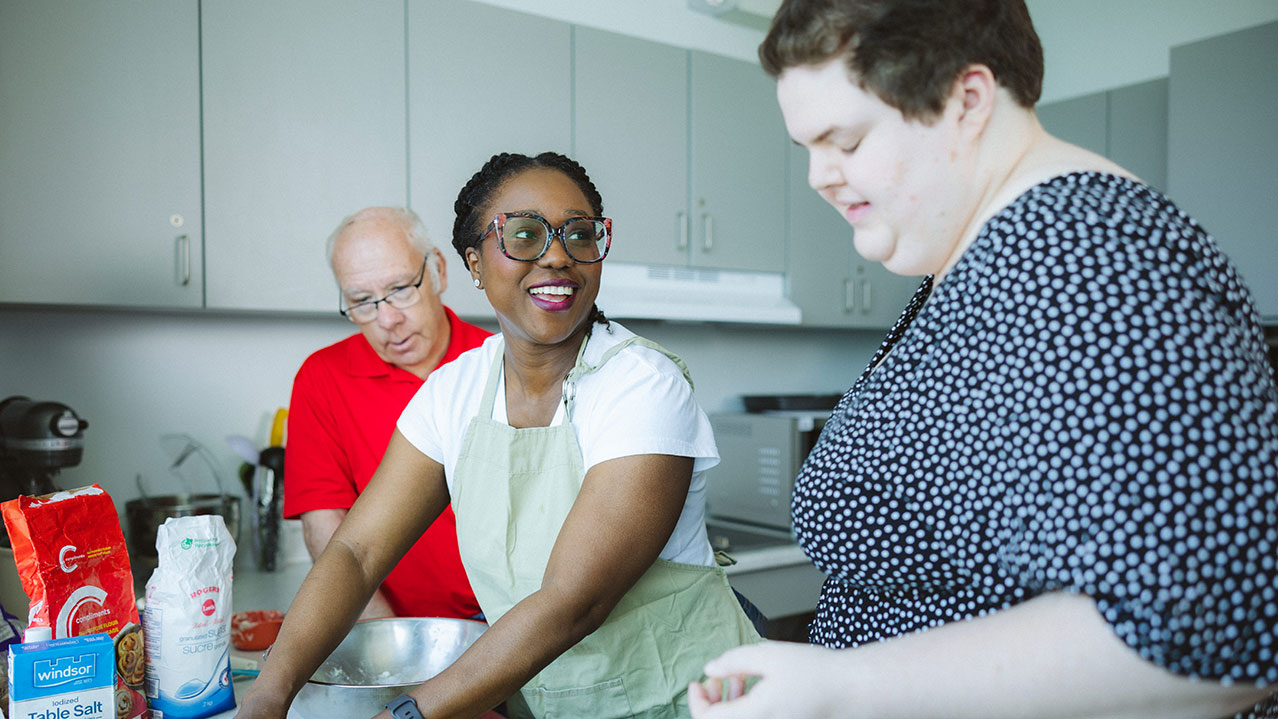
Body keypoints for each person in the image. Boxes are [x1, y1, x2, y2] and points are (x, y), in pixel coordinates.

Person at [690, 1, 1278, 717]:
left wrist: (845, 690)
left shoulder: (1090, 261)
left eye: (843, 140)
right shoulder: (982, 262)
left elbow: (1214, 634)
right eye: (807, 148)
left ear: (967, 99)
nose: (819, 175)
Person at [238, 152, 760, 719]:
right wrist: (268, 695)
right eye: (524, 235)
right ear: (474, 264)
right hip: (555, 702)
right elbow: (356, 552)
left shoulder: (641, 387)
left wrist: (406, 715)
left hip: (692, 701)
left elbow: (573, 600)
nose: (558, 255)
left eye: (579, 234)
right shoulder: (453, 393)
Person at [282, 206, 489, 619]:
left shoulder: (498, 363)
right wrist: (391, 645)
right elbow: (327, 527)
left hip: (510, 622)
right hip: (393, 623)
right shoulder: (321, 378)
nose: (388, 320)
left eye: (400, 289)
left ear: (438, 273)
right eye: (362, 301)